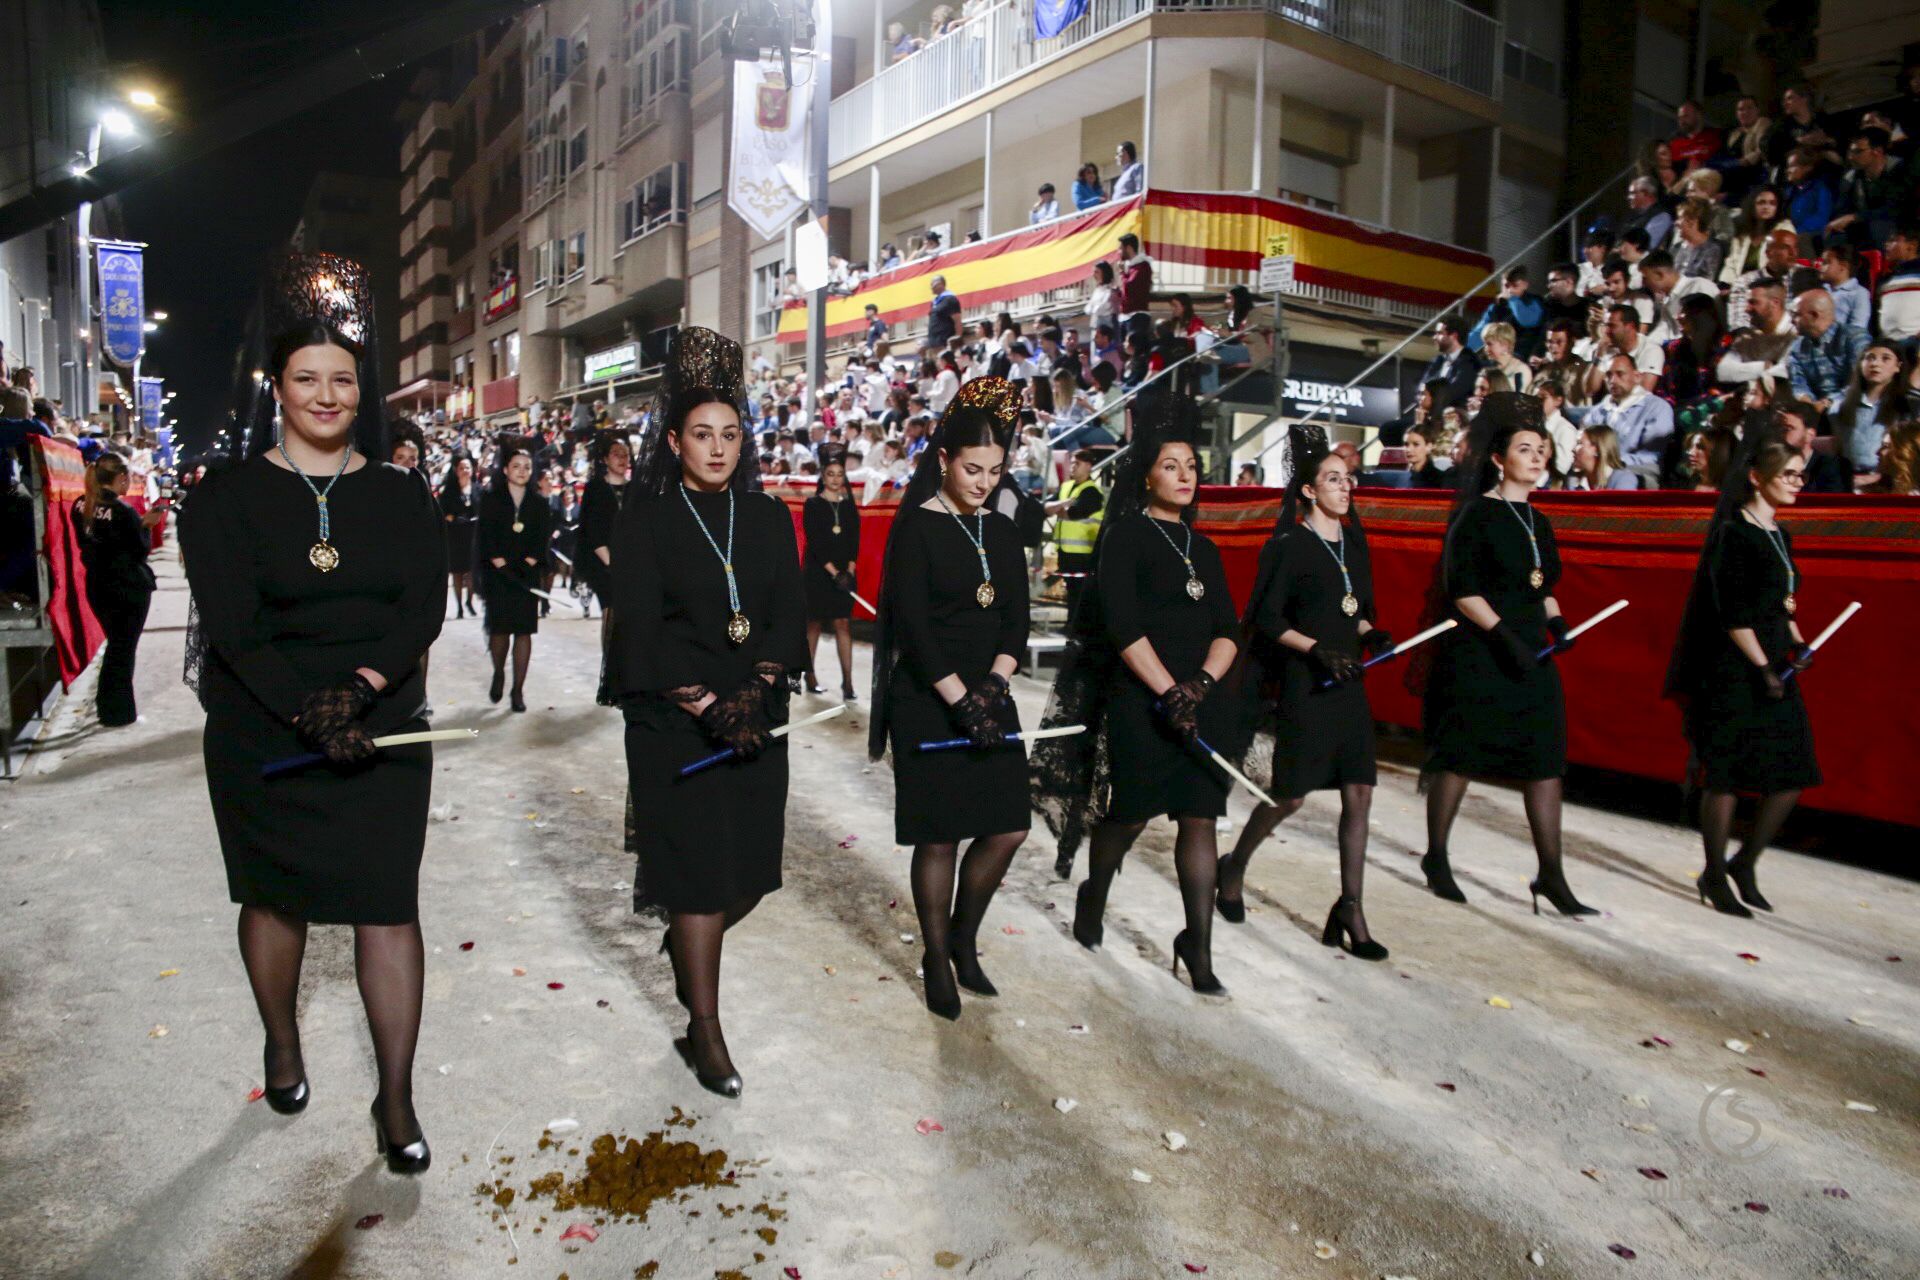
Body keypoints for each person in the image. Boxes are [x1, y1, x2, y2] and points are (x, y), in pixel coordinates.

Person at [178, 321, 447, 1174]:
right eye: (307, 378)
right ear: (279, 387)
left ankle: (396, 1096)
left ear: (361, 391)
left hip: (383, 724)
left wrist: (361, 690)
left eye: (342, 379)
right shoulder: (222, 497)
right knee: (272, 897)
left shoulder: (406, 493)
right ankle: (283, 1046)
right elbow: (232, 624)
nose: (327, 395)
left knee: (388, 904)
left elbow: (422, 608)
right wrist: (306, 710)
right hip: (264, 728)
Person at [610, 327, 805, 1097]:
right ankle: (705, 1030)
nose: (718, 448)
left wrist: (755, 688)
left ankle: (690, 949)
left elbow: (788, 613)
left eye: (730, 434)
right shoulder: (646, 520)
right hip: (673, 723)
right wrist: (706, 701)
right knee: (695, 876)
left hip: (755, 716)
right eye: (702, 434)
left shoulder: (765, 516)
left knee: (750, 874)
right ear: (674, 440)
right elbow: (642, 629)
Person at [1032, 408, 1239, 995]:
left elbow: (1228, 626)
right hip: (1141, 702)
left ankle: (1196, 947)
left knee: (1200, 818)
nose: (1184, 475)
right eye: (1170, 466)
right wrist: (1168, 690)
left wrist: (1198, 686)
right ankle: (1094, 893)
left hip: (1199, 703)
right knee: (1128, 817)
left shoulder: (1207, 548)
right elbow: (1123, 627)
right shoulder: (1125, 535)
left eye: (1191, 466)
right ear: (1146, 476)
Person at [868, 378, 1030, 1020]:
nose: (984, 481)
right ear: (943, 461)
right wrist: (962, 701)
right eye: (971, 468)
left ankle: (964, 938)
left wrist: (994, 686)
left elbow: (1014, 621)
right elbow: (915, 630)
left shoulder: (1005, 531)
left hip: (990, 690)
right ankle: (936, 955)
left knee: (1008, 826)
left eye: (994, 470)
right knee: (940, 838)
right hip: (930, 696)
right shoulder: (917, 530)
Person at [1412, 393, 1595, 917]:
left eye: (1542, 449)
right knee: (1461, 753)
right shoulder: (1477, 516)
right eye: (1525, 448)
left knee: (1545, 760)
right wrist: (1506, 637)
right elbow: (1464, 591)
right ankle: (1437, 856)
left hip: (1530, 652)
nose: (1538, 457)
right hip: (1480, 650)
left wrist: (1556, 622)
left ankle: (1552, 875)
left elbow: (1541, 586)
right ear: (1498, 458)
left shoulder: (1539, 521)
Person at [1217, 429, 1393, 957]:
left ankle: (1351, 907)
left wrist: (1369, 634)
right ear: (1311, 492)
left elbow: (1355, 608)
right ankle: (1234, 865)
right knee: (1291, 794)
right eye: (1333, 480)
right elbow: (1266, 619)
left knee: (1359, 792)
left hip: (1348, 684)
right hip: (1306, 682)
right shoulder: (1289, 545)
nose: (1346, 488)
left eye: (1349, 479)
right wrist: (1316, 650)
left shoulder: (1353, 545)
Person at [1664, 422, 1818, 917]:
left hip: (1773, 659)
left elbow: (1782, 605)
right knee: (1725, 775)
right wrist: (1763, 668)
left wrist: (1797, 643)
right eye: (1790, 474)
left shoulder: (1781, 534)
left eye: (1801, 475)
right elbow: (1733, 613)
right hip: (1736, 666)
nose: (1798, 482)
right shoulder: (1734, 534)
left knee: (1791, 773)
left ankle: (1745, 861)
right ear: (1758, 477)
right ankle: (1713, 871)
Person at [73, 450, 161, 726]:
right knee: (123, 650)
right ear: (121, 478)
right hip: (127, 588)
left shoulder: (80, 504)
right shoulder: (122, 511)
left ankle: (107, 706)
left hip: (98, 586)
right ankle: (118, 713)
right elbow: (139, 550)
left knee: (116, 647)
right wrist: (146, 525)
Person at [476, 439, 550, 711]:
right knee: (499, 629)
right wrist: (501, 565)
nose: (522, 470)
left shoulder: (539, 503)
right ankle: (498, 671)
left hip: (526, 574)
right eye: (516, 466)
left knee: (523, 631)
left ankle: (518, 691)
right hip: (499, 574)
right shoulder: (491, 499)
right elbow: (486, 535)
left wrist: (528, 564)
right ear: (505, 469)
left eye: (527, 467)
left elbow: (542, 539)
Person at [579, 431, 635, 701]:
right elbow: (592, 531)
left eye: (625, 454)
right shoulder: (595, 488)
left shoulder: (636, 489)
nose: (623, 459)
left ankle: (629, 673)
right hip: (605, 564)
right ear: (604, 459)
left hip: (633, 564)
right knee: (612, 613)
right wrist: (613, 563)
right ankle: (610, 674)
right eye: (616, 454)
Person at [802, 454, 861, 698]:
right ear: (823, 476)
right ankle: (810, 674)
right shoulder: (813, 504)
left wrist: (849, 570)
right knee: (814, 624)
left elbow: (854, 540)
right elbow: (815, 543)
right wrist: (834, 573)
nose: (836, 479)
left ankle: (848, 682)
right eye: (830, 474)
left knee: (843, 623)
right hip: (819, 572)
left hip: (844, 573)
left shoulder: (848, 504)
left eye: (840, 474)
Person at [1582, 354, 1675, 478]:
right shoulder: (1597, 411)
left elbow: (1650, 457)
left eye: (1620, 374)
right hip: (1595, 473)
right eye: (1609, 375)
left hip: (1636, 475)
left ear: (1637, 377)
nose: (1613, 381)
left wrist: (1608, 464)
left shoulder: (1657, 408)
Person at [1047, 448, 1105, 618]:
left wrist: (1060, 508)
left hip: (1083, 554)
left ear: (1088, 466)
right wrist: (1063, 504)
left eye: (1077, 463)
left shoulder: (1092, 491)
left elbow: (1072, 513)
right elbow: (1046, 507)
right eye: (1071, 463)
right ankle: (1071, 624)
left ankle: (1076, 627)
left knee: (1081, 593)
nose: (1072, 467)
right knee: (1071, 591)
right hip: (1065, 550)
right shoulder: (1066, 486)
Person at [1788, 288, 1868, 413]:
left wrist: (1828, 402)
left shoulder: (1855, 338)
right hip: (1817, 413)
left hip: (1854, 410)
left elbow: (1862, 380)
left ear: (1814, 315)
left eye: (1796, 315)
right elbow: (1798, 383)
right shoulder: (1796, 347)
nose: (1791, 321)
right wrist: (1807, 402)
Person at [1833, 341, 1904, 473]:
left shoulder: (1905, 405)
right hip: (1845, 476)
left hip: (1886, 477)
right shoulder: (1840, 402)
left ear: (1898, 366)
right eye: (1870, 357)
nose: (1875, 364)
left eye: (1886, 358)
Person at [1719, 186, 1795, 285]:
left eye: (1772, 203)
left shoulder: (1784, 228)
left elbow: (1780, 265)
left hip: (1768, 285)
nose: (1766, 207)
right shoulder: (1743, 232)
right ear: (1752, 205)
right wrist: (1726, 285)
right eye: (1761, 202)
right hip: (1737, 285)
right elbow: (1731, 263)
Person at [1570, 424, 1641, 490]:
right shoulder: (1573, 481)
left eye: (1580, 443)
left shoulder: (1624, 479)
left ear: (1597, 450)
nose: (1573, 449)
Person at [1403, 423, 1453, 488]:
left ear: (1429, 446)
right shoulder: (1403, 477)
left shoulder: (1439, 479)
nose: (1408, 449)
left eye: (1416, 444)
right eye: (1406, 445)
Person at [926, 274, 962, 353]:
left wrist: (957, 340)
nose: (931, 287)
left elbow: (957, 321)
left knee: (948, 365)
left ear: (940, 283)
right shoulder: (934, 302)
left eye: (932, 284)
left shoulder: (950, 299)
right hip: (934, 344)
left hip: (945, 343)